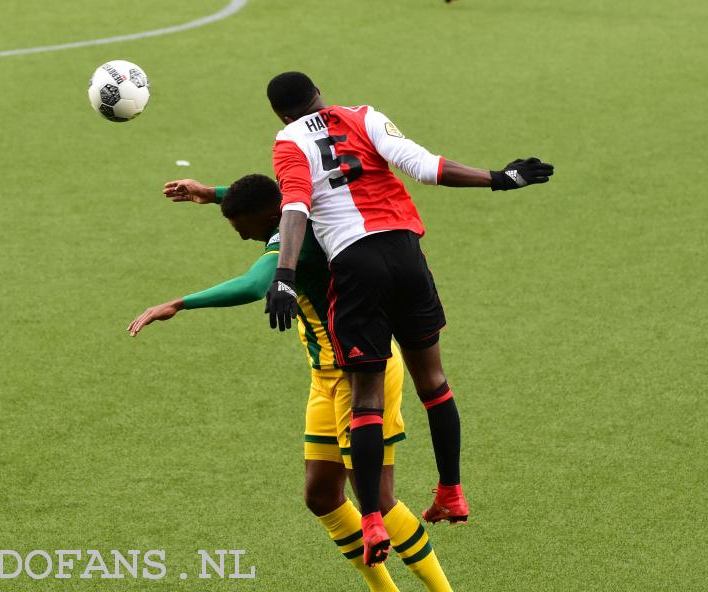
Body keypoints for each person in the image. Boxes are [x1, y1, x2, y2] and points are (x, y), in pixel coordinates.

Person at [263, 71, 555, 565]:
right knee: (434, 381)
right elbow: (424, 166)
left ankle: (373, 521)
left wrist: (285, 274)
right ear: (319, 96)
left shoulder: (288, 140)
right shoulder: (363, 116)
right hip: (406, 252)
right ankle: (452, 491)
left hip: (356, 266)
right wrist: (500, 178)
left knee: (366, 398)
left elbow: (295, 205)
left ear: (283, 114)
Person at [128, 174, 454, 591]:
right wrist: (213, 195)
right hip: (326, 378)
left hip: (363, 374)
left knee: (379, 501)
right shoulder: (296, 210)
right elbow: (268, 194)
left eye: (239, 223)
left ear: (265, 216)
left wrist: (178, 303)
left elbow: (252, 285)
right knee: (321, 496)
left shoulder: (288, 245)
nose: (238, 232)